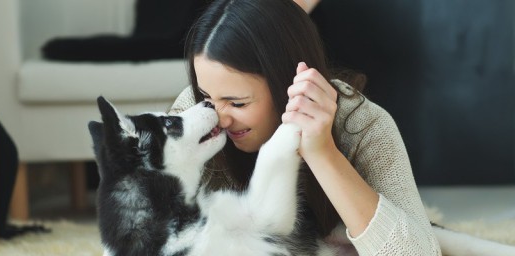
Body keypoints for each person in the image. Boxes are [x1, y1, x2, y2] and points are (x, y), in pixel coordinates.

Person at [168, 0, 440, 254]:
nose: (219, 119)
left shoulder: (362, 124)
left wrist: (322, 151)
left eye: (237, 104)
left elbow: (416, 252)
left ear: (287, 85)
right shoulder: (193, 118)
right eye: (205, 96)